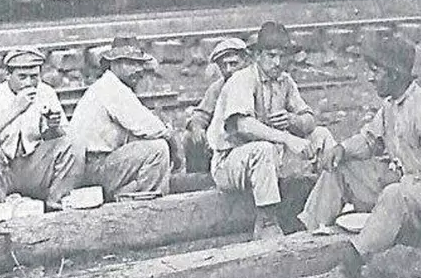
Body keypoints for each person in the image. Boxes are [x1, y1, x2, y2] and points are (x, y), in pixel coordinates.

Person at [294, 31, 421, 278]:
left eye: (376, 71)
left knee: (393, 195)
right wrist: (341, 149)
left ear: (394, 75)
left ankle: (345, 273)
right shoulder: (391, 105)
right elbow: (370, 140)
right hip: (408, 189)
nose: (371, 77)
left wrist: (401, 185)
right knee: (341, 168)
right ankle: (304, 241)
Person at [207, 21, 336, 240]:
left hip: (271, 161)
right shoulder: (243, 79)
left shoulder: (285, 81)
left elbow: (310, 121)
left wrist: (294, 120)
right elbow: (242, 125)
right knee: (263, 149)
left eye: (282, 56)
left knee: (321, 136)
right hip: (229, 162)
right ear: (258, 55)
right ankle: (267, 222)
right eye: (271, 55)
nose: (277, 62)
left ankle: (328, 208)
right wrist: (287, 138)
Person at [0, 47, 82, 211]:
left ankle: (56, 205)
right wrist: (15, 109)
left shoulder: (46, 92)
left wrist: (53, 128)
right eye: (22, 77)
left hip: (32, 168)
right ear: (8, 75)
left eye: (34, 77)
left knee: (73, 144)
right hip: (1, 170)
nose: (28, 83)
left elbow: (61, 138)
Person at [70, 36, 181, 201]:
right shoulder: (111, 87)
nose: (138, 69)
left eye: (140, 64)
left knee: (150, 148)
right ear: (114, 63)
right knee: (158, 149)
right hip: (92, 167)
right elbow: (148, 126)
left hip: (96, 165)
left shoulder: (112, 85)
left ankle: (130, 196)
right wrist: (173, 142)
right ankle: (143, 204)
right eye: (131, 63)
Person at [183, 38, 250, 173]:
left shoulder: (255, 83)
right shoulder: (217, 88)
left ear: (246, 61)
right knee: (189, 137)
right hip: (223, 141)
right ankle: (199, 179)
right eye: (223, 66)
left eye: (233, 63)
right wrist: (197, 127)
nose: (229, 70)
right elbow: (201, 114)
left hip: (249, 140)